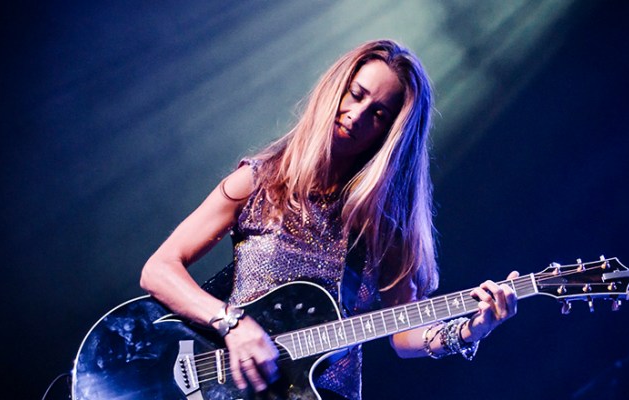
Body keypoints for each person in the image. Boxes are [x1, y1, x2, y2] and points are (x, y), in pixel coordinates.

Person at [139, 39, 518, 400]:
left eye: (379, 114)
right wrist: (232, 323)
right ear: (336, 87)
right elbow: (158, 270)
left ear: (389, 135)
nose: (357, 115)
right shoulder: (259, 181)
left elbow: (405, 334)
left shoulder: (383, 228)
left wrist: (471, 330)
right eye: (356, 94)